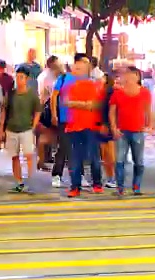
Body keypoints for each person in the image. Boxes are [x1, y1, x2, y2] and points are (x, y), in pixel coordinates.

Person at [109, 66, 154, 196]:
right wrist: (114, 128)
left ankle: (136, 186)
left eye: (131, 75)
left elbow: (148, 110)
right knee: (119, 161)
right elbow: (112, 112)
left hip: (138, 131)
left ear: (137, 77)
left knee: (139, 161)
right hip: (121, 132)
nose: (128, 77)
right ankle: (120, 188)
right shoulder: (117, 93)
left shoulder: (144, 92)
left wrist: (149, 125)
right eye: (126, 75)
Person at [64, 56, 104, 198]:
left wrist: (77, 104)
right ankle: (75, 187)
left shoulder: (94, 86)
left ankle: (97, 183)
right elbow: (67, 103)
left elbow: (92, 105)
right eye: (75, 67)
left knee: (93, 156)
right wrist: (83, 104)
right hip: (74, 126)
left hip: (91, 126)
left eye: (79, 68)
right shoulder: (70, 86)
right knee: (75, 158)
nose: (75, 70)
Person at [0, 67, 42, 193]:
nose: (18, 79)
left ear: (27, 79)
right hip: (11, 129)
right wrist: (1, 129)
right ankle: (19, 181)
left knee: (29, 155)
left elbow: (37, 111)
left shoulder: (32, 95)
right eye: (17, 77)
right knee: (14, 156)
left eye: (21, 77)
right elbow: (4, 111)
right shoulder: (11, 94)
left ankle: (31, 181)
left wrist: (33, 126)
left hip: (26, 129)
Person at [51, 54, 89, 188]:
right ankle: (57, 174)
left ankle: (80, 175)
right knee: (64, 147)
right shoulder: (63, 78)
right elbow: (54, 96)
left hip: (79, 120)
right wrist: (54, 114)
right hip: (65, 119)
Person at [98, 73, 116, 188]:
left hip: (107, 126)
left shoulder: (110, 94)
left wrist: (107, 124)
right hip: (100, 126)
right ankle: (110, 177)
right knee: (104, 154)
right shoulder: (100, 94)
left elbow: (110, 111)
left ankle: (113, 177)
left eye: (102, 79)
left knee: (110, 153)